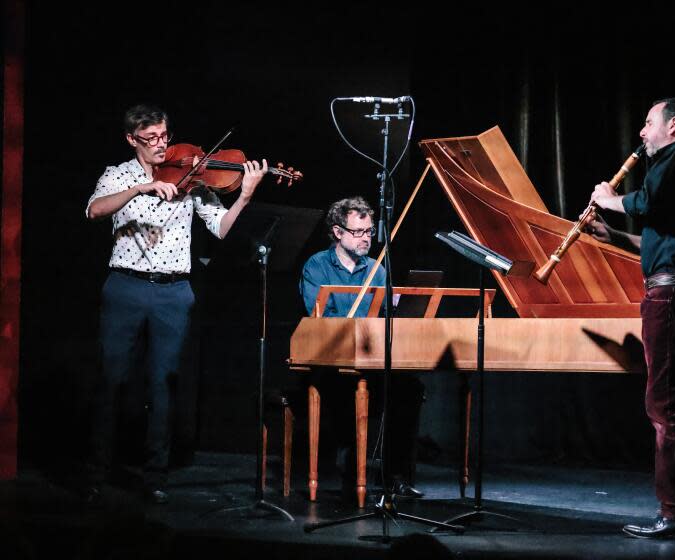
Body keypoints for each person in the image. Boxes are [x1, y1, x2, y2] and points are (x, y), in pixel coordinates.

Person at [84, 104, 269, 504]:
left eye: (164, 136)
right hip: (126, 288)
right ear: (132, 139)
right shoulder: (117, 175)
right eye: (150, 139)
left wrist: (246, 195)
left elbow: (220, 229)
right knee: (112, 381)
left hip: (173, 292)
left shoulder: (191, 177)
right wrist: (140, 188)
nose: (160, 145)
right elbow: (94, 210)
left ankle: (155, 477)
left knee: (164, 384)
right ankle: (96, 473)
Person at [586, 98, 675, 538]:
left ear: (674, 125)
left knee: (663, 406)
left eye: (649, 124)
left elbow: (648, 202)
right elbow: (659, 235)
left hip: (671, 291)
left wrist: (610, 200)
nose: (643, 133)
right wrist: (613, 235)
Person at [299, 196, 425, 500]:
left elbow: (384, 317)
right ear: (338, 232)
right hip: (330, 358)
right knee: (351, 388)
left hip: (369, 357)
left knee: (409, 388)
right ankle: (352, 472)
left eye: (369, 231)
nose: (366, 238)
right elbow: (321, 320)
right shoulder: (317, 266)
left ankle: (394, 475)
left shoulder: (377, 270)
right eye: (358, 232)